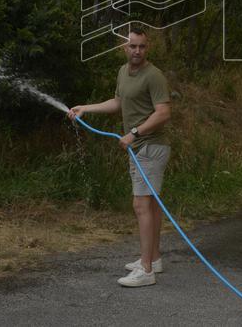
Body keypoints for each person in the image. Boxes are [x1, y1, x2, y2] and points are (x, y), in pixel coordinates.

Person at [68, 26, 172, 288]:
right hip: (139, 147)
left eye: (142, 46)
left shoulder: (154, 76)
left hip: (151, 147)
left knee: (141, 205)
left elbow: (163, 113)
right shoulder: (123, 72)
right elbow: (118, 102)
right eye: (132, 46)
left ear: (147, 48)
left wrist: (134, 133)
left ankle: (146, 271)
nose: (137, 51)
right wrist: (85, 108)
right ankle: (154, 259)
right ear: (124, 48)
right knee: (151, 205)